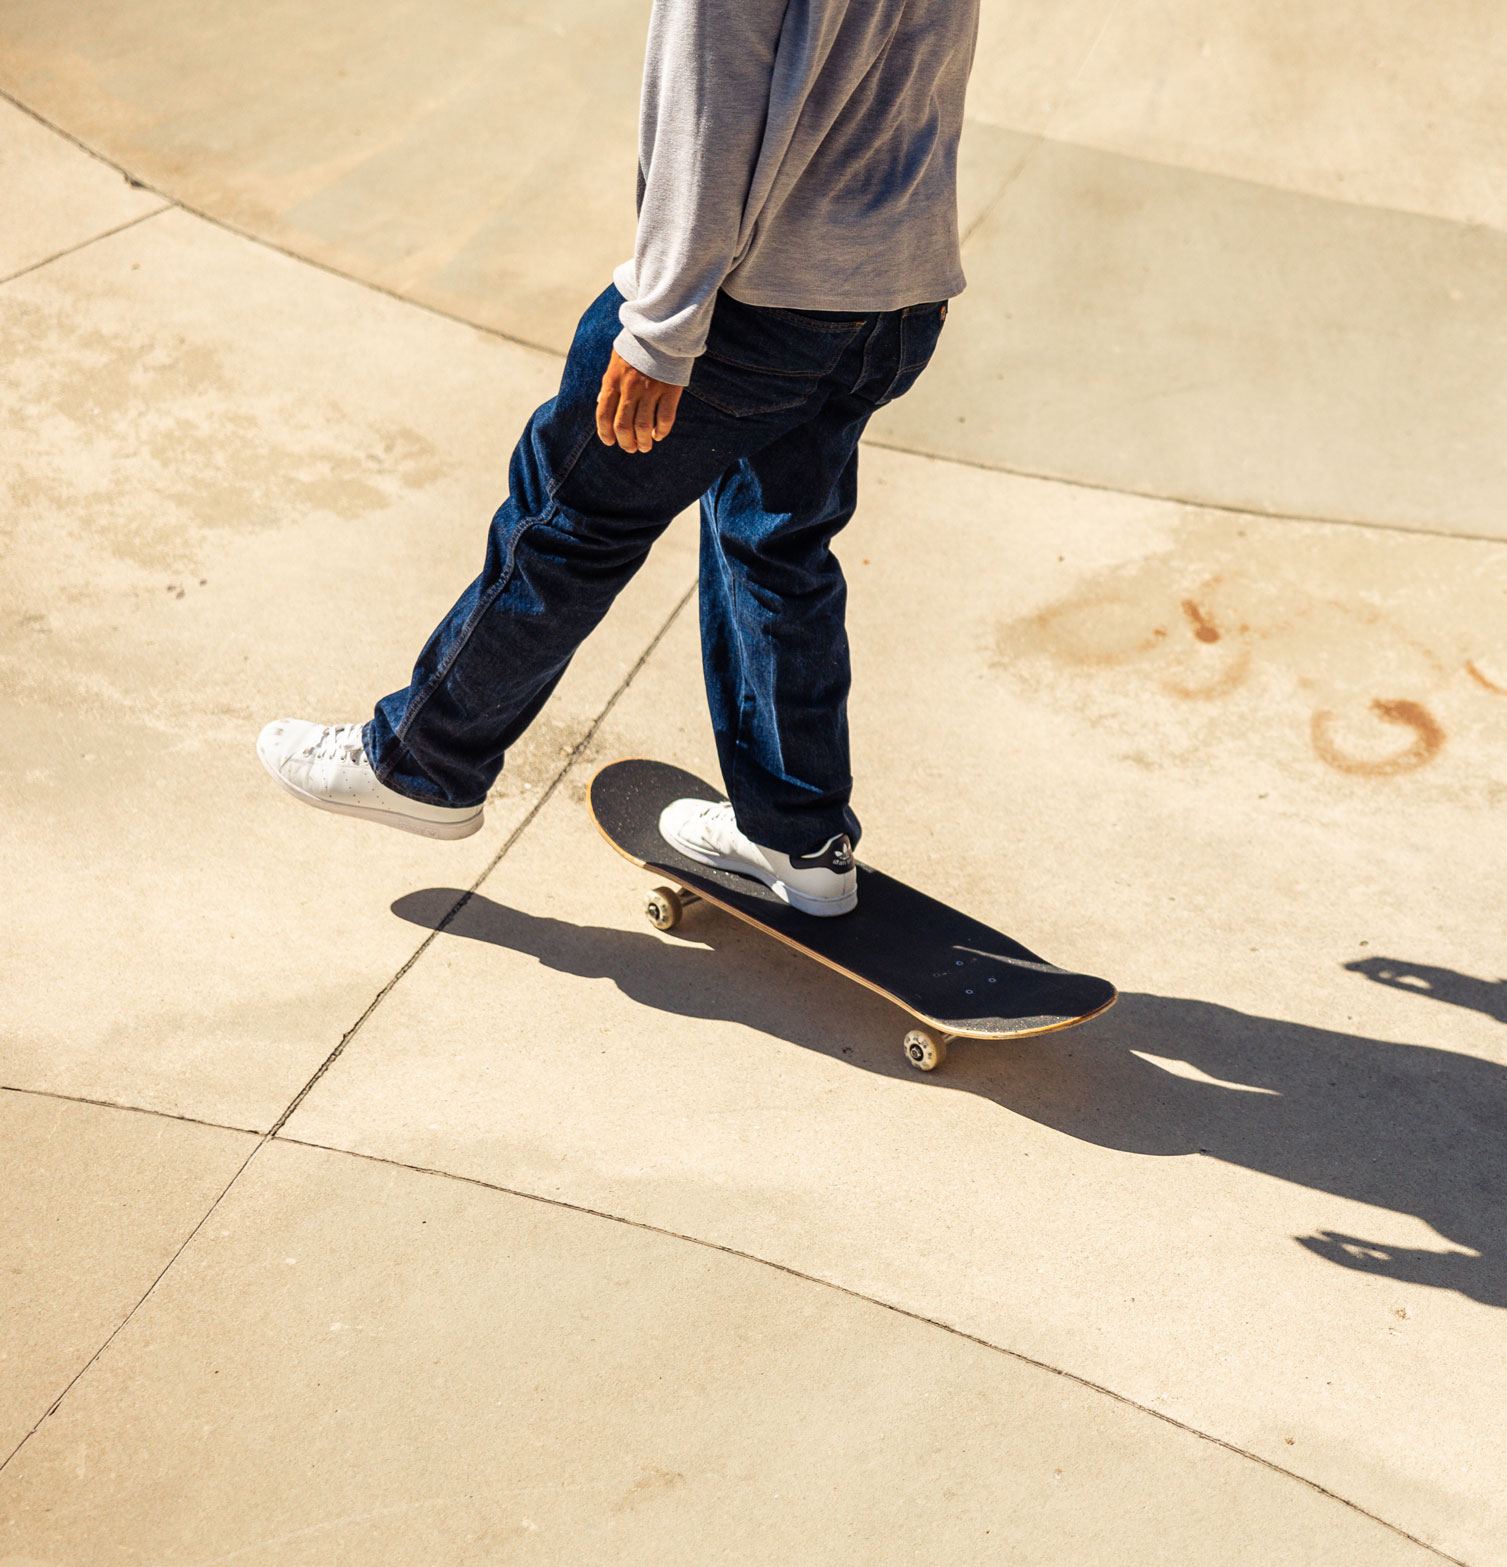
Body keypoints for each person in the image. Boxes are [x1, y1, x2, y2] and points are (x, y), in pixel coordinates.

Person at [258, 0, 979, 917]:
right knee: (776, 544)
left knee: (570, 520)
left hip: (754, 308)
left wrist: (662, 332)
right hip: (892, 292)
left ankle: (424, 762)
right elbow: (926, 61)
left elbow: (709, 103)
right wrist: (919, 254)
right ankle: (797, 836)